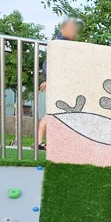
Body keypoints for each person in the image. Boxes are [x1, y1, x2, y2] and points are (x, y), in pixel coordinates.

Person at [36, 18, 80, 151]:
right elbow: (51, 64)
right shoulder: (60, 44)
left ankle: (42, 142)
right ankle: (41, 142)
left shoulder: (66, 44)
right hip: (57, 84)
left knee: (54, 113)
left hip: (61, 84)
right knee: (52, 113)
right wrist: (49, 80)